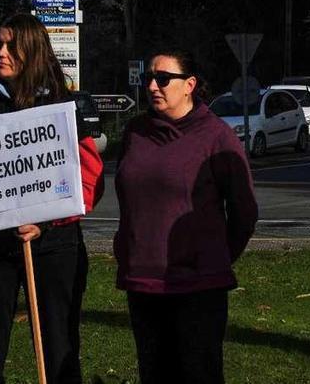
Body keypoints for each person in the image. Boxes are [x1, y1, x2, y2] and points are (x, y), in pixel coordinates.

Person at [0, 13, 104, 384]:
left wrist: (44, 221)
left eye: (12, 45)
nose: (1, 52)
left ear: (34, 50)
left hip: (53, 246)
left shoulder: (61, 104)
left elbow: (87, 180)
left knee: (58, 347)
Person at [113, 50, 258, 384]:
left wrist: (213, 255)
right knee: (154, 373)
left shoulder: (216, 136)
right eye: (149, 78)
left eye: (163, 79)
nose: (152, 86)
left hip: (197, 285)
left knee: (197, 373)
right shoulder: (136, 132)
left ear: (189, 84)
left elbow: (244, 210)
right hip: (143, 283)